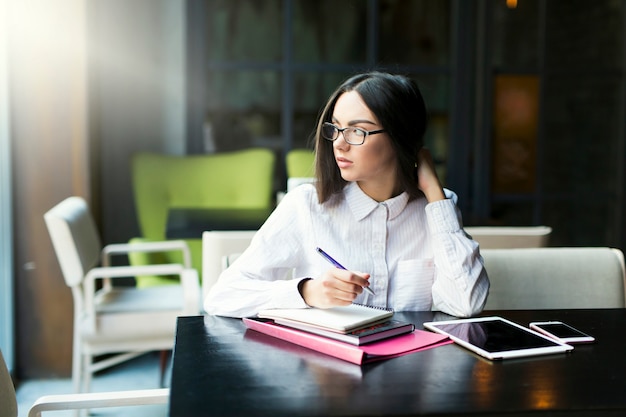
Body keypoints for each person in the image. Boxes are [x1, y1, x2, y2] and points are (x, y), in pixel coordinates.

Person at [205, 71, 489, 318]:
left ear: (400, 137)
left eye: (357, 131)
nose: (339, 144)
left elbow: (466, 303)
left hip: (412, 373)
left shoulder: (437, 209)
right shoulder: (307, 206)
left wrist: (434, 194)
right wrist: (306, 291)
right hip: (327, 373)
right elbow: (222, 296)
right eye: (336, 128)